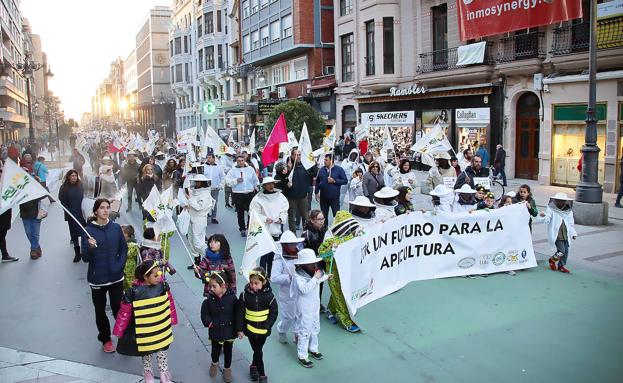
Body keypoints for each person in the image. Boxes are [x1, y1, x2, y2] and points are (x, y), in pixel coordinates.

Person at [112, 259, 177, 383]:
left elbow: (124, 313)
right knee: (162, 352)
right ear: (145, 277)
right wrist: (172, 318)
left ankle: (148, 375)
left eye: (159, 273)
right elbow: (170, 303)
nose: (160, 275)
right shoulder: (162, 287)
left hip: (144, 331)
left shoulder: (133, 292)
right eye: (156, 274)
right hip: (161, 329)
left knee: (146, 353)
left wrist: (119, 330)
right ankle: (164, 374)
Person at [81, 198, 128, 353]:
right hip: (97, 279)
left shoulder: (115, 228)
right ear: (96, 211)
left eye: (108, 207)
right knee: (100, 311)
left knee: (118, 309)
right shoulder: (88, 231)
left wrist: (119, 266)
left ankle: (123, 335)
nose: (105, 210)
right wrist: (90, 247)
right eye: (102, 207)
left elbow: (123, 249)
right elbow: (85, 258)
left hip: (116, 277)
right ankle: (106, 339)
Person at [317, 212, 361, 333]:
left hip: (347, 270)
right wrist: (333, 250)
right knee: (339, 294)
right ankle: (347, 321)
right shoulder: (329, 239)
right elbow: (322, 255)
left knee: (339, 293)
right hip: (333, 273)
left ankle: (331, 310)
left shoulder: (351, 236)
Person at [236, 267, 278, 383]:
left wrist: (268, 325)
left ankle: (253, 366)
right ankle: (262, 375)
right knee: (258, 350)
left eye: (256, 283)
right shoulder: (244, 295)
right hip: (250, 329)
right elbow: (240, 313)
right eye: (251, 283)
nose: (253, 285)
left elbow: (274, 312)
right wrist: (240, 329)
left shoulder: (270, 297)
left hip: (263, 331)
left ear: (263, 282)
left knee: (257, 350)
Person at [293, 249, 331, 368]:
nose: (314, 265)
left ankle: (313, 348)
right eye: (311, 263)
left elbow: (319, 278)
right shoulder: (298, 276)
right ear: (303, 264)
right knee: (305, 330)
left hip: (315, 305)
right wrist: (315, 278)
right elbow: (304, 290)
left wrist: (326, 277)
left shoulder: (313, 272)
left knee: (315, 326)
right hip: (304, 308)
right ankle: (302, 355)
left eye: (313, 263)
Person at [201, 270, 239, 383]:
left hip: (229, 331)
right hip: (215, 330)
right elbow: (205, 313)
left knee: (228, 351)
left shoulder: (232, 299)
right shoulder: (209, 300)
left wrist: (239, 329)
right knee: (215, 350)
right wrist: (208, 322)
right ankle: (214, 363)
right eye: (210, 286)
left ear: (223, 286)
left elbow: (238, 314)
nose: (211, 289)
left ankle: (227, 369)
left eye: (214, 286)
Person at [250, 176, 289, 276]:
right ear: (264, 186)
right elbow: (253, 213)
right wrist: (265, 219)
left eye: (272, 183)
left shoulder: (280, 197)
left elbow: (284, 210)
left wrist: (281, 219)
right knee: (264, 254)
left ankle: (271, 273)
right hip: (264, 230)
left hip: (276, 229)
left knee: (273, 254)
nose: (271, 186)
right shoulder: (258, 198)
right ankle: (262, 275)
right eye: (268, 184)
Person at [271, 230, 304, 344]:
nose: (293, 246)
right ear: (284, 245)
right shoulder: (279, 259)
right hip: (287, 293)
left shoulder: (298, 255)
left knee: (300, 313)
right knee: (288, 316)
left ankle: (297, 333)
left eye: (293, 243)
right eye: (290, 244)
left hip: (299, 290)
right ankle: (281, 330)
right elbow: (274, 277)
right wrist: (288, 277)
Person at [538, 192, 577, 273]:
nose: (561, 202)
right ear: (556, 201)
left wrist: (573, 233)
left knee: (566, 251)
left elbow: (571, 223)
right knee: (561, 251)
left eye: (563, 201)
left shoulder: (568, 210)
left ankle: (561, 266)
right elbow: (547, 219)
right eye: (559, 200)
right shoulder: (551, 209)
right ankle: (552, 260)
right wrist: (543, 216)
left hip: (565, 234)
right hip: (557, 234)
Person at [183, 174, 214, 266]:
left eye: (198, 182)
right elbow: (193, 205)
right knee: (191, 241)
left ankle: (212, 259)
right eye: (196, 181)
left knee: (198, 243)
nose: (196, 183)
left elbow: (199, 207)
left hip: (199, 220)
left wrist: (190, 199)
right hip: (191, 218)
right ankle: (197, 261)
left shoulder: (206, 194)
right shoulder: (195, 192)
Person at [226, 155, 260, 237]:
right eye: (239, 161)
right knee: (240, 212)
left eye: (242, 160)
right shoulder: (233, 171)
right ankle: (242, 229)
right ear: (236, 162)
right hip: (238, 194)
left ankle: (249, 227)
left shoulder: (250, 169)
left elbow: (255, 180)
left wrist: (257, 187)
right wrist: (236, 180)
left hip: (249, 193)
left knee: (251, 211)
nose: (240, 162)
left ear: (244, 161)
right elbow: (227, 182)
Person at [58, 170, 86, 262]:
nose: (74, 177)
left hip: (82, 213)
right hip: (72, 214)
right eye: (72, 175)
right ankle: (77, 253)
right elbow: (62, 201)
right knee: (74, 234)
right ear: (68, 177)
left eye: (75, 175)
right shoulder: (64, 188)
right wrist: (69, 212)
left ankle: (84, 251)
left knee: (84, 232)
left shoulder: (80, 185)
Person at [285, 150, 313, 233]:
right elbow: (281, 179)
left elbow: (313, 174)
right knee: (292, 218)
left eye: (300, 155)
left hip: (303, 197)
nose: (299, 156)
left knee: (306, 217)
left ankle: (306, 235)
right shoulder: (287, 167)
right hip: (291, 198)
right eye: (296, 155)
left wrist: (313, 162)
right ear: (292, 156)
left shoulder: (305, 166)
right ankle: (293, 236)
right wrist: (288, 170)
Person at [315, 154, 347, 224]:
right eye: (324, 160)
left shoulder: (339, 169)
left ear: (331, 161)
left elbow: (345, 181)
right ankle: (323, 232)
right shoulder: (321, 169)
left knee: (336, 217)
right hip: (323, 199)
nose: (324, 161)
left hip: (334, 199)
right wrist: (316, 192)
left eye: (326, 160)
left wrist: (334, 181)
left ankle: (336, 231)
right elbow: (317, 181)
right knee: (323, 217)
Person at [204, 153, 226, 224]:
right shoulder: (203, 166)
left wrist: (220, 185)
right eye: (207, 157)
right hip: (205, 189)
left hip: (215, 188)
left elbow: (223, 177)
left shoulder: (219, 167)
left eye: (210, 157)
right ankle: (205, 216)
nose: (208, 159)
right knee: (204, 203)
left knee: (215, 203)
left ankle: (214, 217)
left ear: (214, 158)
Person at [121, 225, 140, 291]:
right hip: (123, 269)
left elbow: (127, 254)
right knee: (123, 286)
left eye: (122, 233)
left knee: (131, 285)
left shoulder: (133, 245)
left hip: (130, 270)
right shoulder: (123, 243)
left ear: (127, 234)